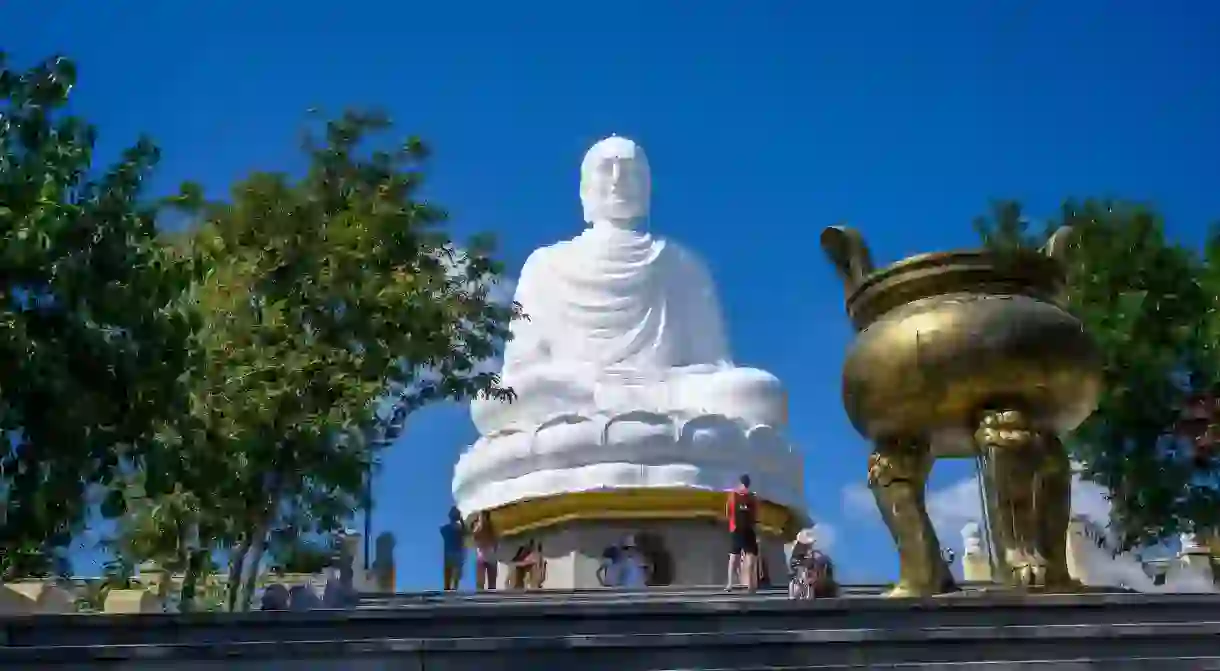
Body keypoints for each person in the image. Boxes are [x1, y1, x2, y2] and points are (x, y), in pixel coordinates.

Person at [725, 474, 760, 592]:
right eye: (743, 484)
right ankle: (730, 583)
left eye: (746, 484)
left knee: (751, 558)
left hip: (748, 530)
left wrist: (755, 525)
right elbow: (729, 511)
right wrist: (732, 526)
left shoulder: (752, 498)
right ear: (739, 484)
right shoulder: (733, 496)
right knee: (734, 557)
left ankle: (751, 584)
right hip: (737, 530)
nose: (744, 486)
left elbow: (755, 513)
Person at [440, 506, 466, 591]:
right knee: (455, 575)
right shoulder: (460, 529)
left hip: (448, 554)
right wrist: (461, 520)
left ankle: (447, 589)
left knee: (448, 573)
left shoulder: (445, 528)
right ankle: (454, 589)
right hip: (457, 554)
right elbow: (465, 532)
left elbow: (442, 531)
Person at [471, 510, 498, 591]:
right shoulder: (486, 528)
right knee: (483, 582)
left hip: (487, 557)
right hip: (486, 557)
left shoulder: (490, 528)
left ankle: (485, 597)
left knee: (489, 583)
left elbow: (494, 541)